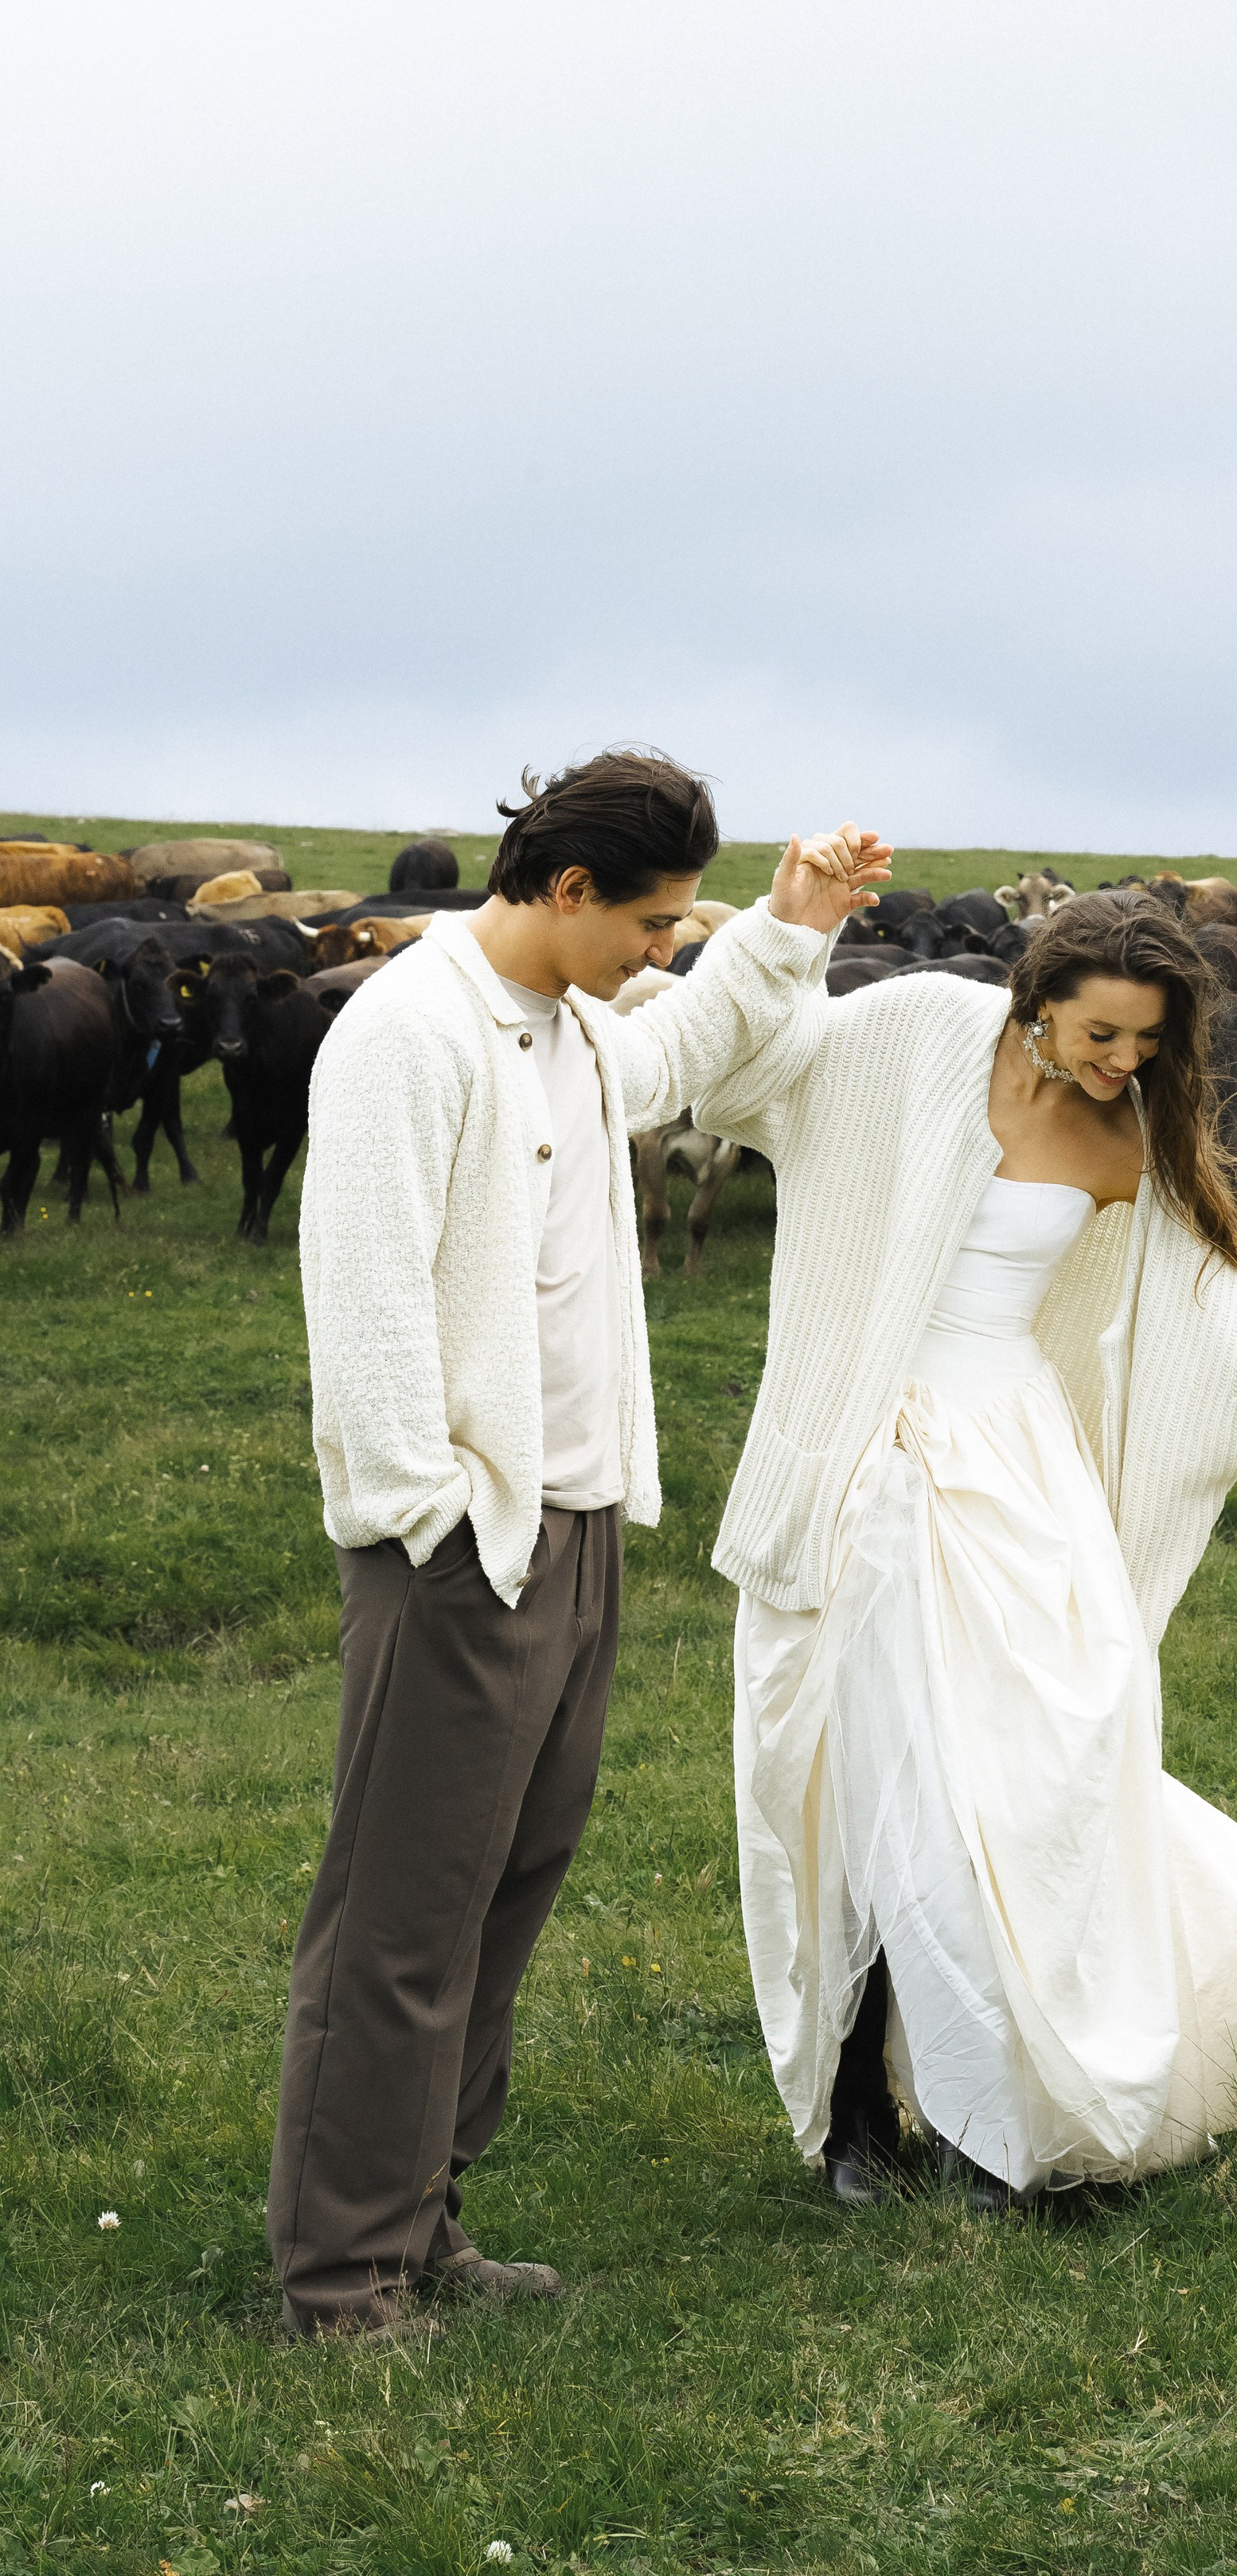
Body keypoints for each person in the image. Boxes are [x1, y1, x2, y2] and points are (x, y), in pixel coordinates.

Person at [696, 890, 1237, 2208]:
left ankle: (1002, 2118)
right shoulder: (918, 1030)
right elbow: (748, 1080)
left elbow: (1232, 1338)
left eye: (1148, 1041)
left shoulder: (1137, 1136)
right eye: (1100, 1032)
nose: (1122, 1061)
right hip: (864, 1476)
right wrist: (787, 930)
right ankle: (865, 2123)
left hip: (1016, 1476)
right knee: (871, 1798)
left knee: (1033, 1794)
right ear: (1036, 994)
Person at [267, 748, 888, 2336]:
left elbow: (673, 1050)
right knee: (404, 1913)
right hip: (463, 1543)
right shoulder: (406, 1036)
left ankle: (425, 2222)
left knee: (504, 1886)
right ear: (564, 891)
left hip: (578, 1522)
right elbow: (366, 1292)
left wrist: (792, 923)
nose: (666, 944)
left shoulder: (569, 1026)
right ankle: (342, 2274)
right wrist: (430, 1515)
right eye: (657, 918)